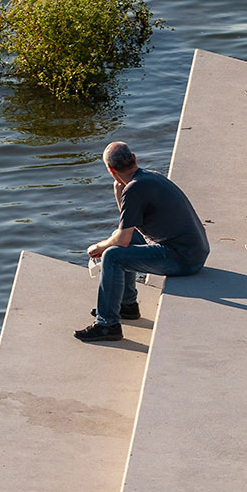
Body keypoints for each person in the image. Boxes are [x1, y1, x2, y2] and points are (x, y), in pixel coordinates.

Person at [75, 141, 209, 344]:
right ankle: (127, 306)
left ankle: (107, 325)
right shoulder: (148, 177)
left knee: (112, 255)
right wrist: (119, 192)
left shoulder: (135, 189)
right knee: (123, 242)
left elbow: (122, 240)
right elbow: (129, 228)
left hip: (183, 259)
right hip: (194, 251)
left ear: (111, 170)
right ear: (134, 158)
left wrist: (99, 247)